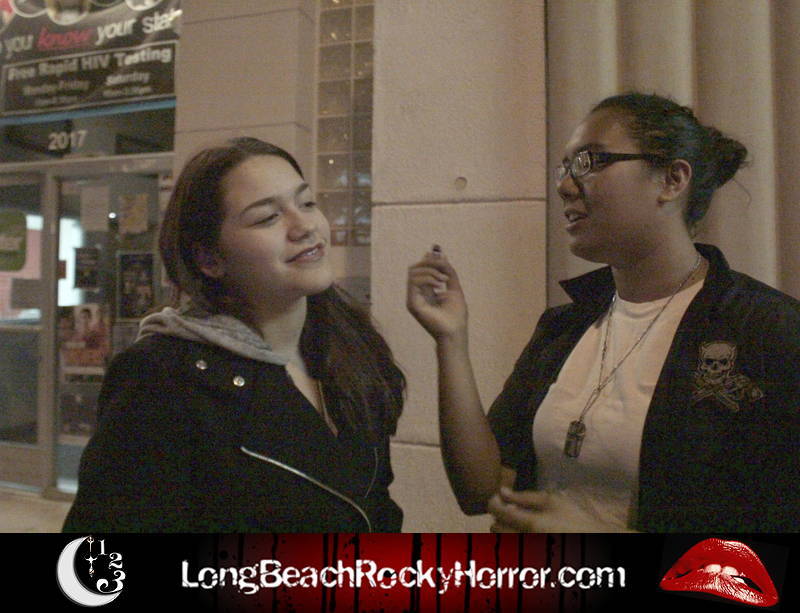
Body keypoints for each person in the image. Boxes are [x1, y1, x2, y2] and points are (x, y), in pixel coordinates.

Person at [407, 92, 800, 532]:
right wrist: (451, 340)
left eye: (589, 161)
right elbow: (481, 491)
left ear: (672, 180)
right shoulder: (565, 326)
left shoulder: (767, 331)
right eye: (564, 167)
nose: (564, 185)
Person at [64, 137, 405, 532]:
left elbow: (375, 504)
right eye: (267, 218)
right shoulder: (161, 378)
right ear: (210, 259)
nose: (305, 226)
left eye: (307, 203)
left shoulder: (351, 344)